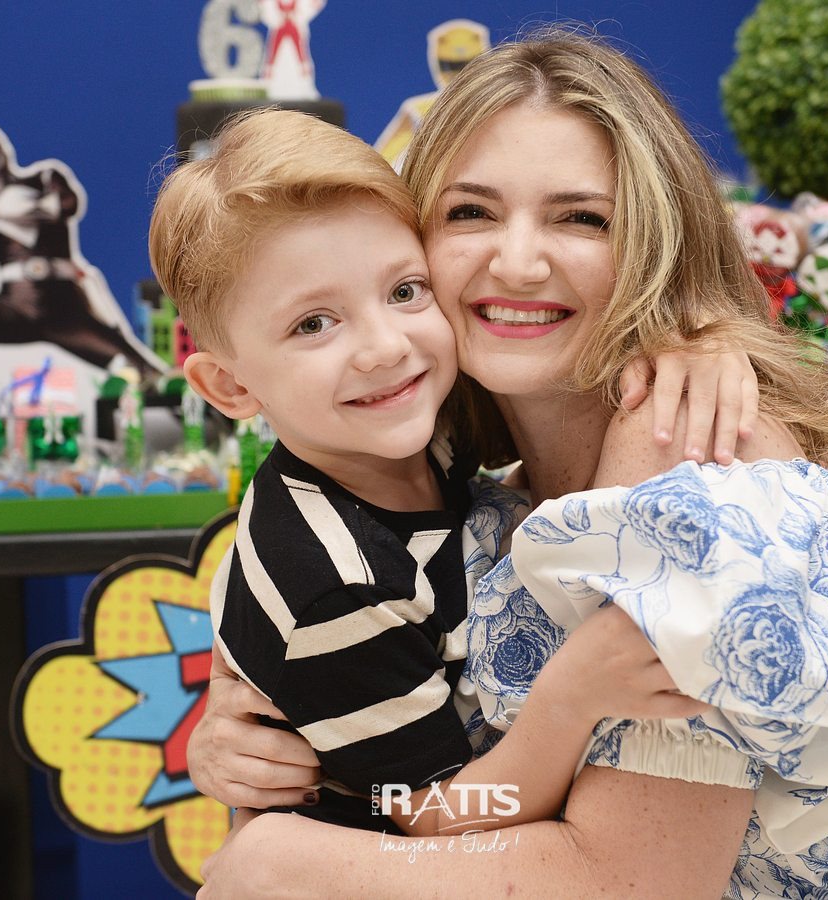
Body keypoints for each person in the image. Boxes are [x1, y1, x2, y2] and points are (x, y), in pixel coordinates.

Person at [192, 30, 828, 899]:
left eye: (581, 219)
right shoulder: (462, 485)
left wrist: (289, 862)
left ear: (656, 243)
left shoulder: (688, 465)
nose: (517, 262)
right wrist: (252, 727)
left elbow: (633, 883)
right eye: (470, 213)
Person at [149, 109, 724, 839]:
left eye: (403, 291)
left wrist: (700, 344)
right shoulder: (337, 585)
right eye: (312, 324)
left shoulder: (423, 426)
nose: (386, 347)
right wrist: (570, 698)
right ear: (230, 386)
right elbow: (435, 814)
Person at [0, 115, 164, 378]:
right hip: (14, 308)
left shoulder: (45, 178)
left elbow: (66, 205)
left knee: (138, 370)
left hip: (66, 309)